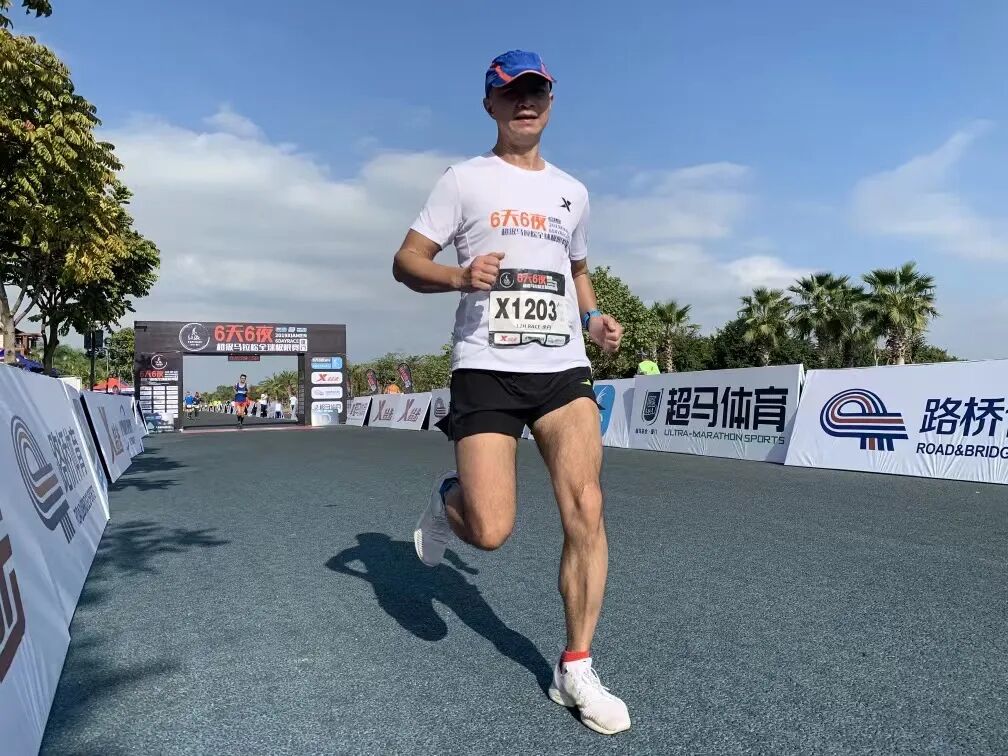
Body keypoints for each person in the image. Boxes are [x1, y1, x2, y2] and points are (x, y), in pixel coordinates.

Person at [392, 50, 629, 735]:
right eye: (512, 93)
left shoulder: (573, 191)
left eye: (537, 93)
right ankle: (448, 500)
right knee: (491, 531)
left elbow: (576, 268)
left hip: (561, 366)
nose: (526, 103)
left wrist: (593, 317)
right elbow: (406, 261)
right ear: (490, 104)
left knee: (587, 506)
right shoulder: (463, 180)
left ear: (550, 103)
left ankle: (576, 667)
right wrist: (460, 276)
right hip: (486, 366)